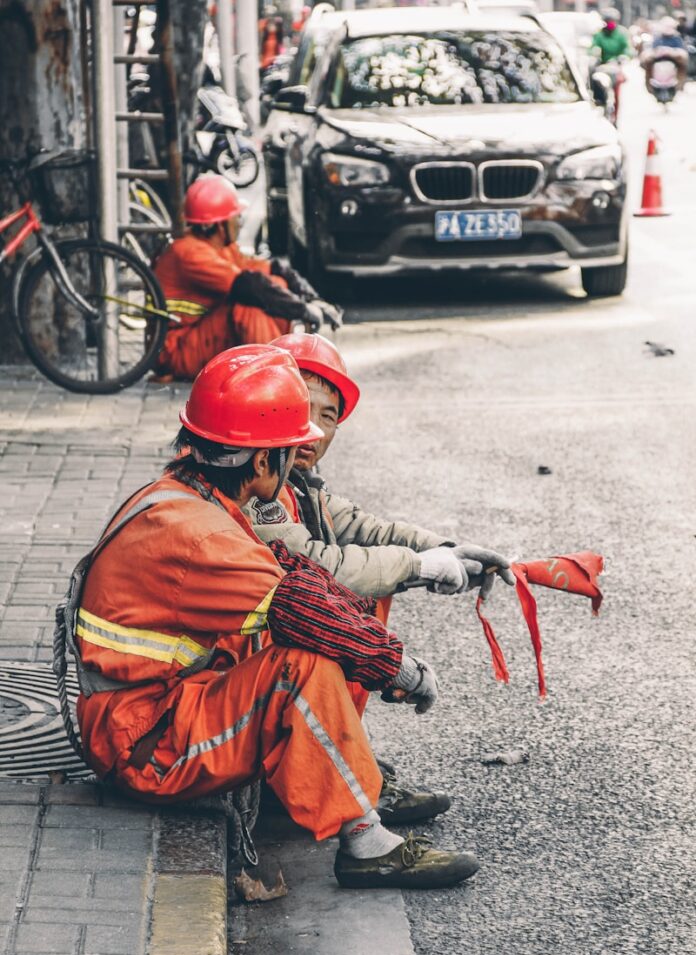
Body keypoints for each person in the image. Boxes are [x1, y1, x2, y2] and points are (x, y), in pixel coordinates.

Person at [68, 344, 478, 890]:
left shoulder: (190, 497)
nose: (299, 454)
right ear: (262, 462)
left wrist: (424, 570)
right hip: (144, 746)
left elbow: (303, 578)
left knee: (334, 616)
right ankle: (365, 842)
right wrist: (401, 670)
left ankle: (338, 784)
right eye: (288, 447)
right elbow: (304, 610)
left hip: (151, 711)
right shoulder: (202, 535)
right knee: (301, 666)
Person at [246, 333, 515, 824]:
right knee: (335, 613)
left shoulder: (293, 482)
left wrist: (446, 549)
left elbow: (364, 528)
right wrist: (419, 569)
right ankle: (312, 781)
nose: (313, 430)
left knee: (367, 593)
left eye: (328, 418)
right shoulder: (256, 486)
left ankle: (337, 762)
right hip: (201, 703)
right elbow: (317, 564)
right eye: (302, 408)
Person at [152, 176, 340, 382]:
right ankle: (275, 380)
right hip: (176, 351)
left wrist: (312, 298)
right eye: (235, 217)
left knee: (277, 285)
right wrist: (303, 310)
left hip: (197, 337)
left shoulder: (221, 248)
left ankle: (282, 369)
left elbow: (273, 270)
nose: (239, 223)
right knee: (248, 308)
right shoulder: (189, 253)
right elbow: (248, 286)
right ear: (219, 224)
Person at [641, 16, 689, 91]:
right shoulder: (658, 37)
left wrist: (672, 52)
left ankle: (680, 85)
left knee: (683, 63)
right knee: (648, 62)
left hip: (673, 58)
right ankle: (649, 86)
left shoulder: (677, 38)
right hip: (659, 58)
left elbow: (682, 50)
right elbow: (653, 48)